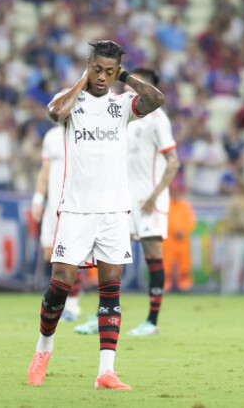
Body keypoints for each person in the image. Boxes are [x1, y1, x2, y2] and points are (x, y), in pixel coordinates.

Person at [26, 40, 165, 390]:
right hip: (75, 209)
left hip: (114, 212)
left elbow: (156, 100)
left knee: (110, 291)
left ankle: (106, 371)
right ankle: (43, 349)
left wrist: (127, 78)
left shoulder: (122, 106)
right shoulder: (72, 100)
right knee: (60, 283)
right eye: (97, 69)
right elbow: (55, 113)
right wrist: (82, 79)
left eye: (109, 72)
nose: (102, 78)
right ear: (89, 65)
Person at [124, 68, 179, 335]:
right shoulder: (126, 116)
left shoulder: (157, 119)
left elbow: (173, 161)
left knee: (152, 255)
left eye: (133, 83)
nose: (126, 86)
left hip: (149, 200)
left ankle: (152, 322)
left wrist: (154, 196)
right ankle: (103, 313)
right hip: (126, 199)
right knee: (110, 254)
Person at [31, 125, 83, 320]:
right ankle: (55, 301)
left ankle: (72, 306)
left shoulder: (84, 130)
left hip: (74, 206)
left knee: (75, 256)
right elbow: (44, 171)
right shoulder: (51, 136)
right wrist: (38, 199)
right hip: (53, 206)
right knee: (49, 254)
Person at [163, 178, 196, 292]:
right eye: (174, 190)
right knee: (166, 264)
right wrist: (174, 230)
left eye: (178, 190)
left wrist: (183, 231)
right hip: (169, 240)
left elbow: (191, 222)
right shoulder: (166, 205)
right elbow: (164, 221)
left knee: (184, 264)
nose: (176, 193)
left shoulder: (185, 205)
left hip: (182, 240)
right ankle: (165, 286)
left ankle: (184, 286)